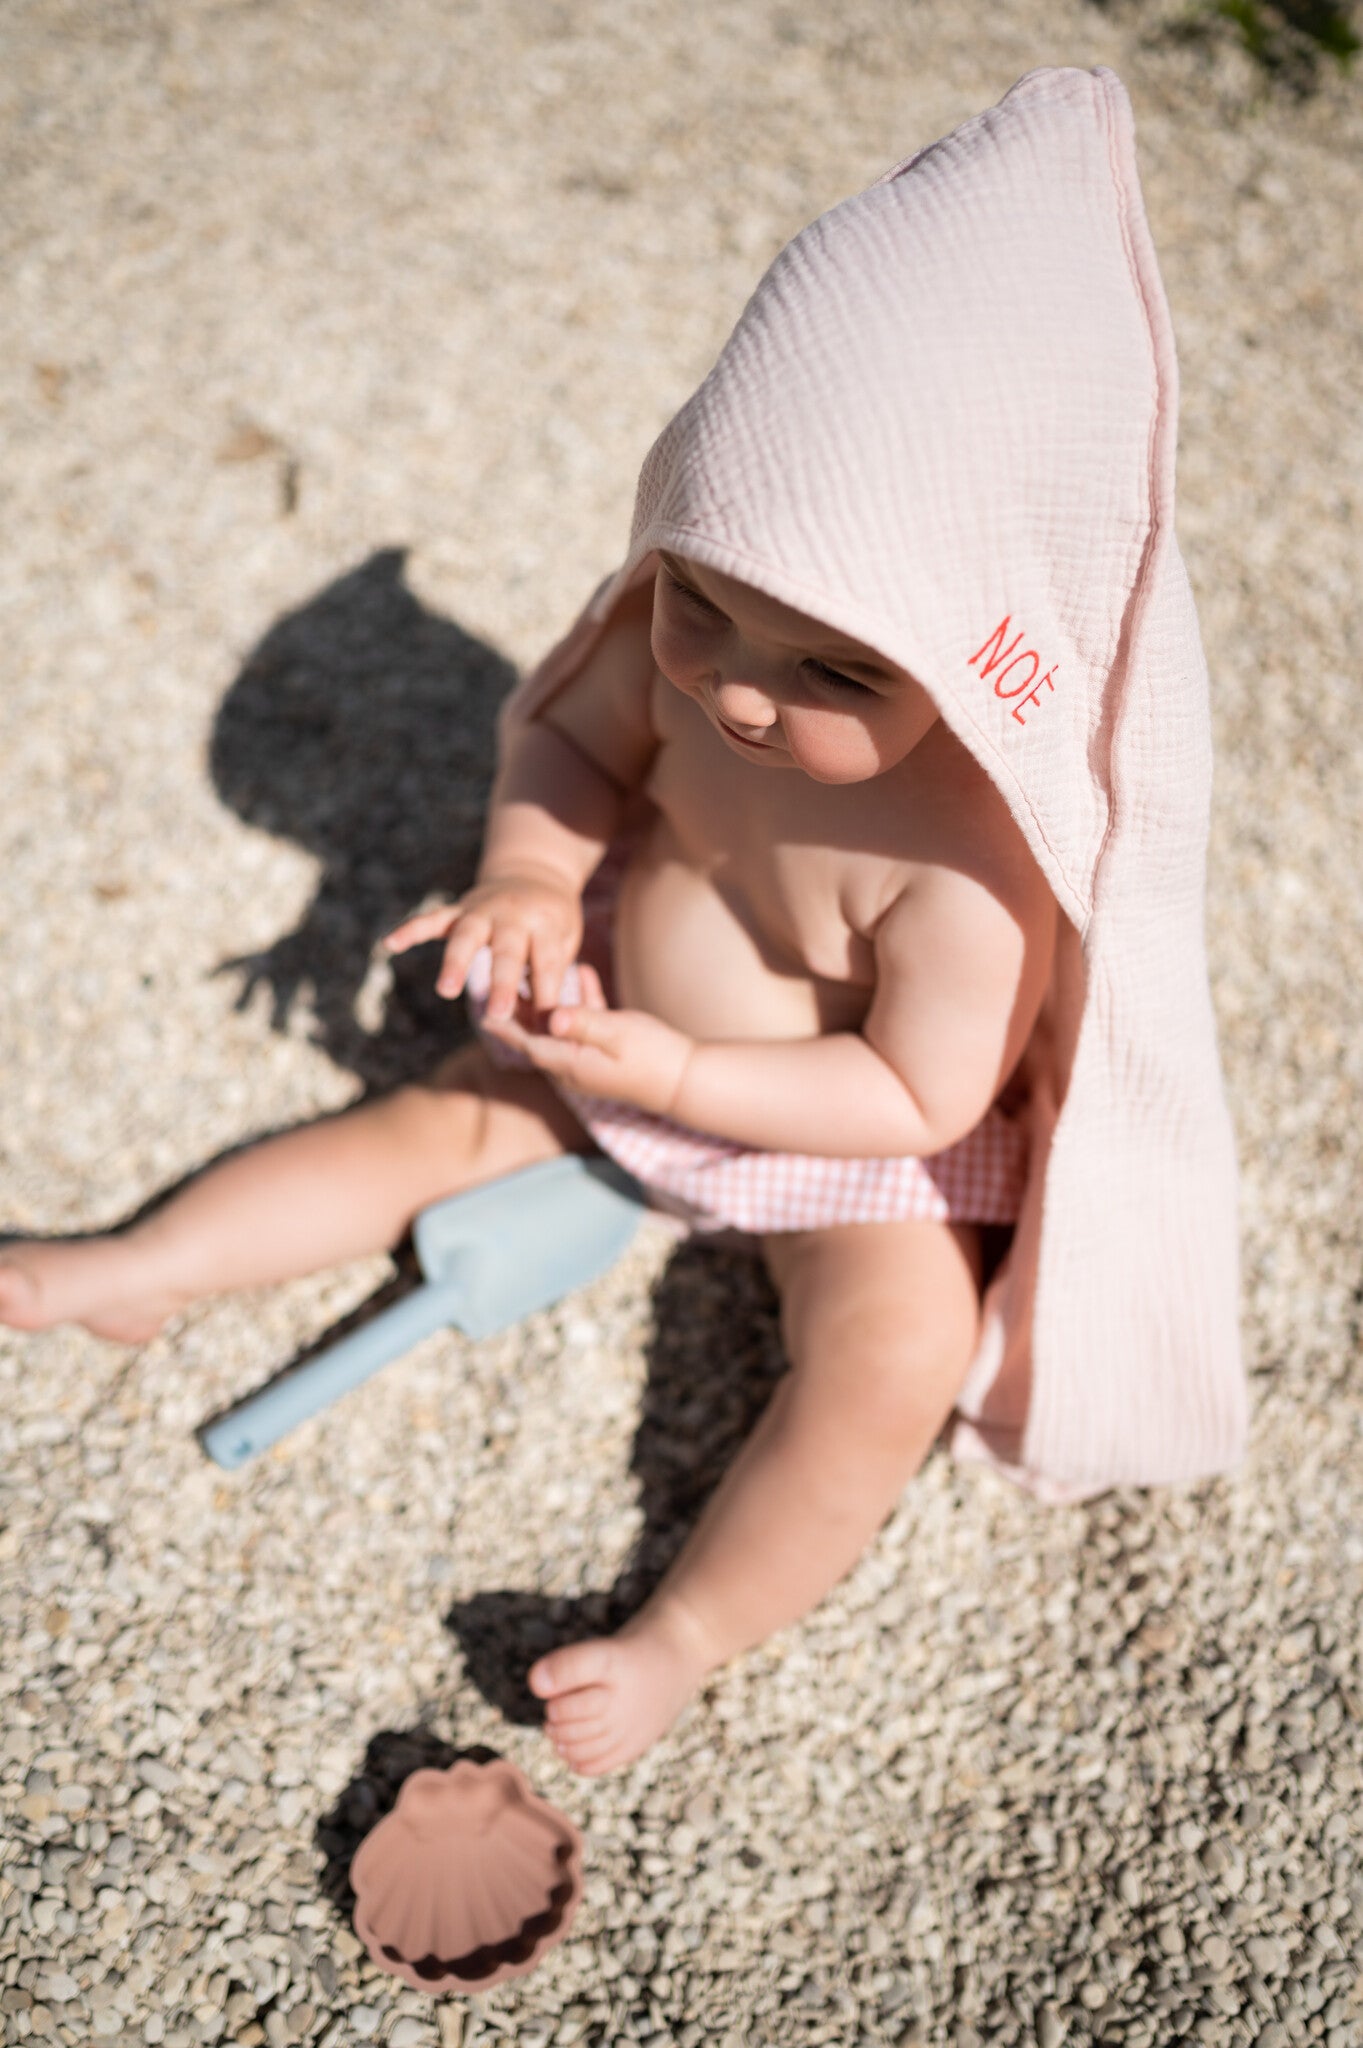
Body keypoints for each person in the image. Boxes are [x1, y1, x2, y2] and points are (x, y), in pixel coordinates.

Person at [0, 67, 1245, 1772]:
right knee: (414, 1130)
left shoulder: (974, 853)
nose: (735, 691)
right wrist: (528, 876)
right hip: (602, 1025)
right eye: (700, 605)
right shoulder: (682, 634)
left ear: (981, 656)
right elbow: (569, 737)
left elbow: (915, 1097)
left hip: (832, 1146)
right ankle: (144, 1268)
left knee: (894, 1354)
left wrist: (680, 1066)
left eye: (833, 672)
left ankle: (685, 1633)